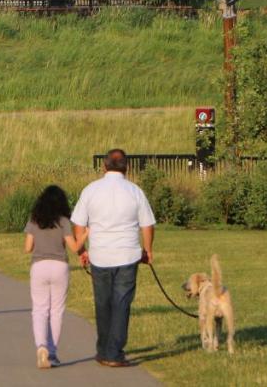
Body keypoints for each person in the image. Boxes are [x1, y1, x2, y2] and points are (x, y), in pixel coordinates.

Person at [70, 149, 156, 367]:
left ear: (104, 166)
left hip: (100, 254)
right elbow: (147, 224)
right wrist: (147, 250)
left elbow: (78, 223)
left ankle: (103, 349)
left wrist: (82, 250)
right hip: (127, 254)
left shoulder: (91, 190)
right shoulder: (135, 191)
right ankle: (114, 352)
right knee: (121, 303)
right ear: (126, 167)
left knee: (103, 302)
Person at [24, 185, 80, 370]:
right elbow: (74, 248)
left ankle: (41, 347)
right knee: (56, 311)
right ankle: (53, 352)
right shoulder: (63, 221)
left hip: (39, 266)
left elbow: (28, 247)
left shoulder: (35, 219)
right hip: (59, 266)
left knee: (39, 310)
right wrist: (86, 234)